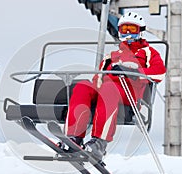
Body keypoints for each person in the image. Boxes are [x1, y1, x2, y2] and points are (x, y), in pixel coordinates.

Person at [64, 12, 166, 160]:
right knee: (83, 86)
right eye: (125, 30)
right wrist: (93, 89)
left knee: (108, 89)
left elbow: (159, 74)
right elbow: (98, 78)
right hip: (107, 91)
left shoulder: (148, 52)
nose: (128, 33)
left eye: (132, 29)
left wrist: (133, 71)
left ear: (141, 32)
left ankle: (99, 143)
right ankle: (74, 137)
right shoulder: (111, 56)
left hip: (129, 93)